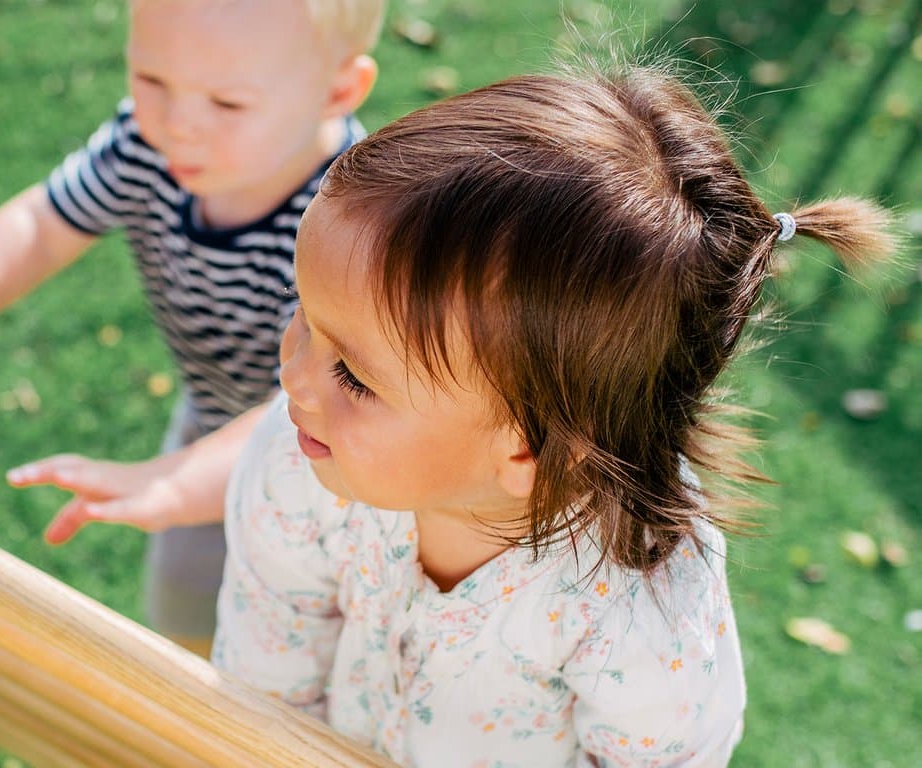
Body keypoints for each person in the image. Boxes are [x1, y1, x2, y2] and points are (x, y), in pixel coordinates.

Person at [211, 65, 896, 766]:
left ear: (531, 451)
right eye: (305, 314)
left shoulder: (638, 611)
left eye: (354, 376)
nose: (292, 377)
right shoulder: (307, 457)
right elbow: (265, 678)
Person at [0, 0, 383, 655]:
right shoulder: (147, 147)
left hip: (340, 468)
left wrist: (175, 482)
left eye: (228, 103)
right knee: (184, 608)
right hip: (211, 424)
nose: (178, 123)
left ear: (337, 91)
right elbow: (43, 222)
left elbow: (313, 405)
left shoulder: (348, 226)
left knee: (316, 644)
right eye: (151, 79)